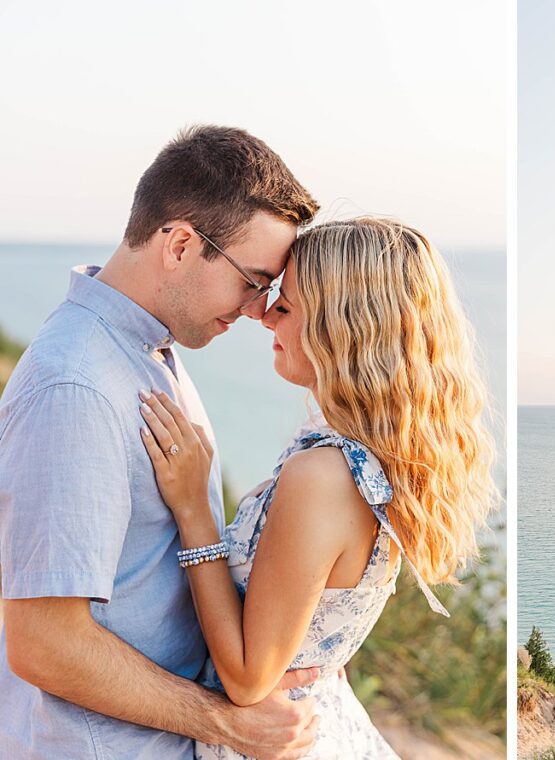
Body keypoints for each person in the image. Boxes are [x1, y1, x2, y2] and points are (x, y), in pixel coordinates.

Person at [0, 125, 322, 759]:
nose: (260, 310)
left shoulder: (148, 349)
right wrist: (226, 722)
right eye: (253, 281)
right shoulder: (77, 387)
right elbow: (43, 641)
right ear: (179, 245)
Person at [136, 217, 497, 757]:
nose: (265, 315)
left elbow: (248, 679)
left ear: (342, 326)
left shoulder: (324, 474)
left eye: (287, 304)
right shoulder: (374, 458)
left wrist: (194, 511)